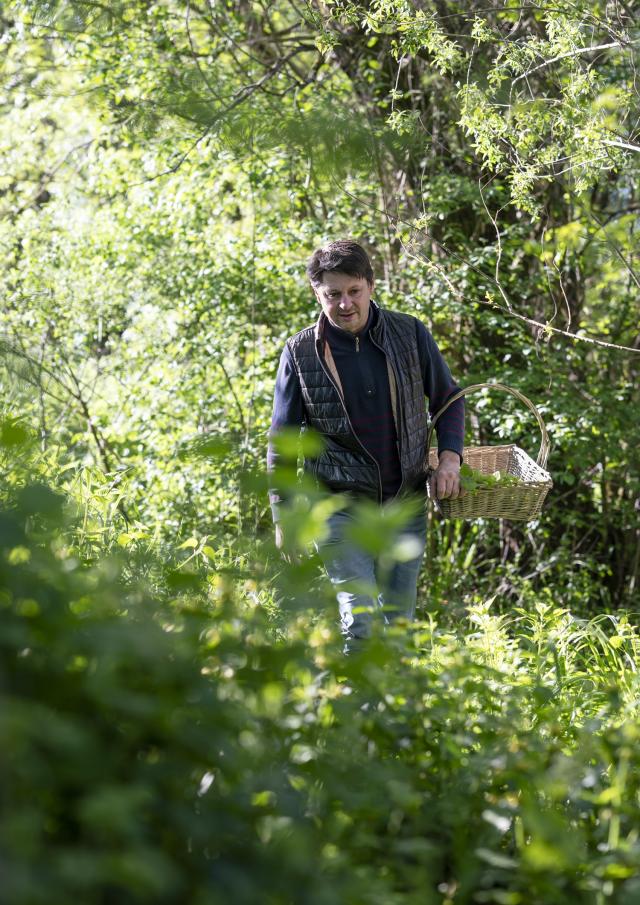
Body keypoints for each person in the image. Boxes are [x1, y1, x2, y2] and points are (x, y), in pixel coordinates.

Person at [267, 240, 464, 649]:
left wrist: (449, 459)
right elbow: (283, 441)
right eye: (332, 294)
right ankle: (351, 711)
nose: (344, 304)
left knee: (396, 630)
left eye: (353, 291)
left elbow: (448, 399)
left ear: (371, 286)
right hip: (338, 509)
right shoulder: (300, 353)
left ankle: (393, 713)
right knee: (360, 623)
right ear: (316, 293)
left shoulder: (409, 333)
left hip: (403, 506)